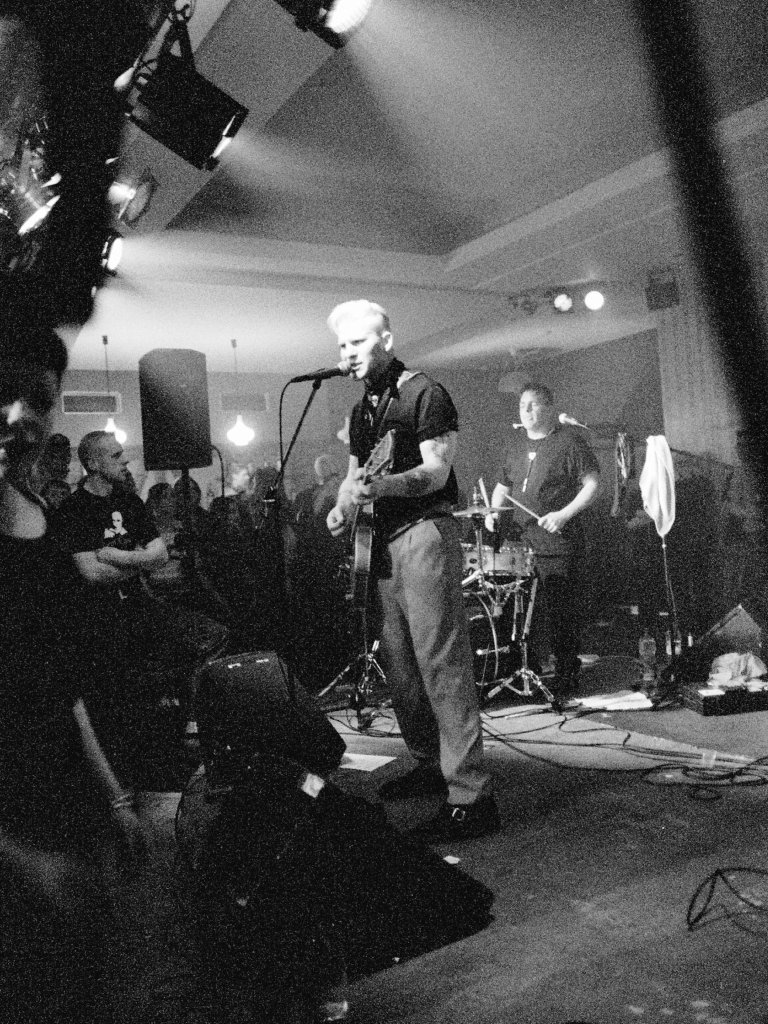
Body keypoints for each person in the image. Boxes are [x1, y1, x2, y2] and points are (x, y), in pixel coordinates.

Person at [0, 330, 148, 1023]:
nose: (19, 415)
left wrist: (112, 796)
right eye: (6, 391)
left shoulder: (31, 512)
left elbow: (55, 680)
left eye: (37, 399)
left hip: (56, 789)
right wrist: (20, 857)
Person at [325, 299, 499, 841]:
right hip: (379, 539)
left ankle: (471, 794)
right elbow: (354, 475)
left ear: (386, 340)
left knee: (441, 660)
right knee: (399, 664)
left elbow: (436, 470)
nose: (347, 353)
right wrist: (342, 505)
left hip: (424, 531)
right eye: (341, 345)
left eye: (357, 342)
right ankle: (429, 762)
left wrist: (383, 487)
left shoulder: (425, 393)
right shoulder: (362, 410)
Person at [487, 384, 600, 704]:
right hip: (520, 542)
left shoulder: (569, 442)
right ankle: (526, 668)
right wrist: (493, 512)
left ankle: (566, 672)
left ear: (549, 408)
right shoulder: (514, 443)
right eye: (522, 404)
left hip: (557, 542)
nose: (526, 410)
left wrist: (564, 514)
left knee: (560, 611)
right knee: (518, 609)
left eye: (534, 404)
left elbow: (593, 483)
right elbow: (502, 486)